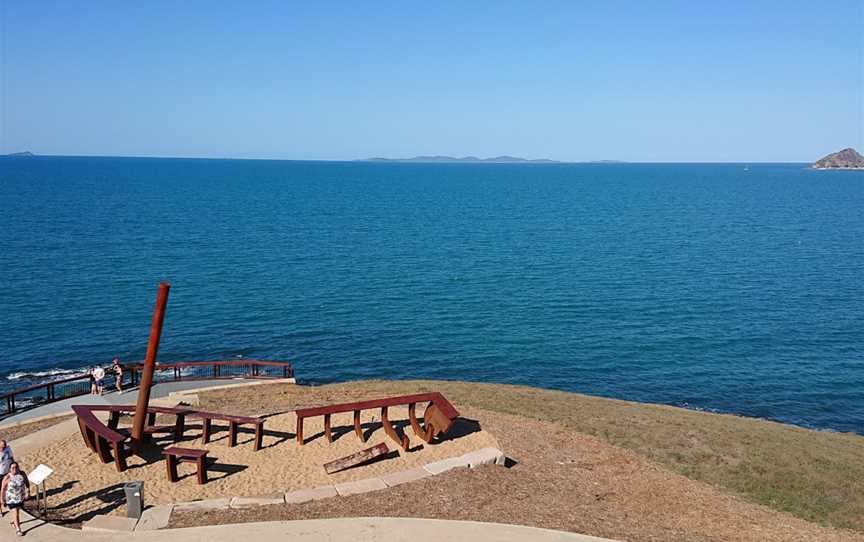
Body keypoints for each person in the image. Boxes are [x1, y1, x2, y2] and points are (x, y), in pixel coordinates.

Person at [1, 462, 28, 536]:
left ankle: (13, 522)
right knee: (15, 513)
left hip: (20, 497)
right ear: (9, 469)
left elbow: (26, 483)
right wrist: (2, 499)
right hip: (11, 499)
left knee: (17, 512)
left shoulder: (21, 474)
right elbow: (3, 489)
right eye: (12, 468)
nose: (14, 469)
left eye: (16, 467)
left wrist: (27, 492)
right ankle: (18, 529)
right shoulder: (7, 477)